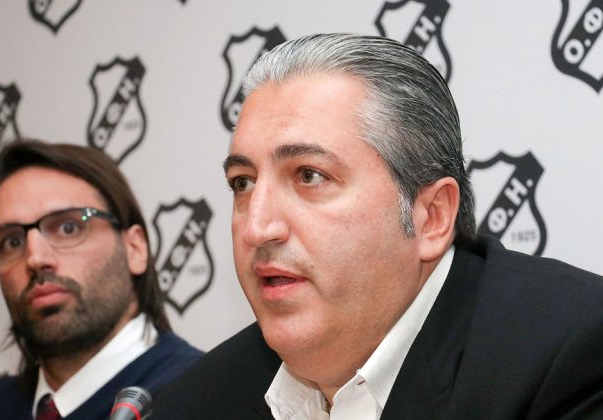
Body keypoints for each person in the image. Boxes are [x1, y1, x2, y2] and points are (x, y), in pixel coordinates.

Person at [152, 33, 603, 419]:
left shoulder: (571, 355)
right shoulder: (195, 402)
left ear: (431, 217)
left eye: (309, 175)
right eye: (243, 183)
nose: (257, 227)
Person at [0, 140, 202, 419]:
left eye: (68, 227)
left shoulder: (204, 396)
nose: (35, 257)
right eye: (12, 241)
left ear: (134, 249)